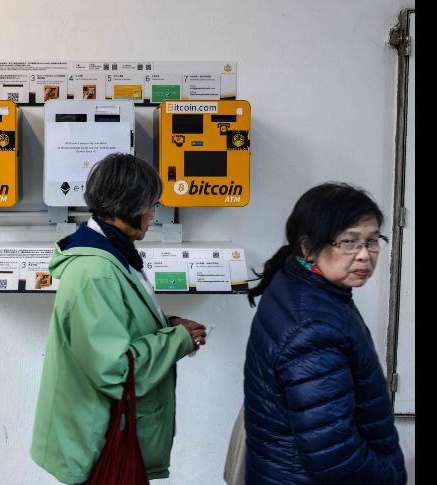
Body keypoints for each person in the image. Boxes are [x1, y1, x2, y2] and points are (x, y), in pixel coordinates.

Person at [31, 153, 207, 483]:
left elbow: (120, 326)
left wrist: (166, 326)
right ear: (131, 207)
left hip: (109, 434)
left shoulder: (114, 256)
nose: (153, 214)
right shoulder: (95, 271)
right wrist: (177, 341)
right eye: (151, 204)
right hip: (99, 445)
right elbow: (115, 369)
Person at [243, 182, 406, 483]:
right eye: (348, 241)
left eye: (372, 241)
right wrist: (390, 477)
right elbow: (334, 456)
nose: (364, 255)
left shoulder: (300, 283)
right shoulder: (313, 330)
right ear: (308, 246)